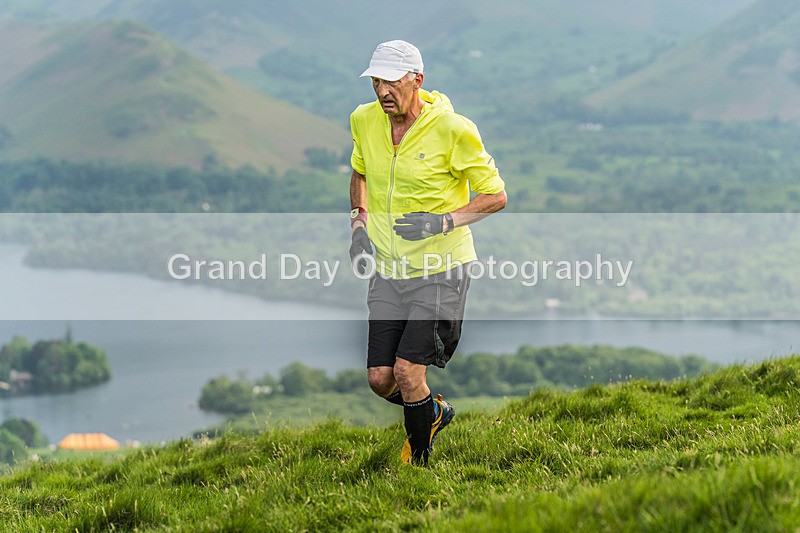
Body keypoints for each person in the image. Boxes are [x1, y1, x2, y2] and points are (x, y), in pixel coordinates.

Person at [348, 40, 507, 466]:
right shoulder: (364, 120)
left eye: (391, 81)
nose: (382, 91)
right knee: (381, 379)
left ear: (417, 79)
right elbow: (359, 170)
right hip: (388, 268)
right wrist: (358, 224)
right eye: (376, 81)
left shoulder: (454, 129)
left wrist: (442, 221)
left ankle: (418, 464)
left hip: (442, 269)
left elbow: (495, 196)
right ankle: (432, 411)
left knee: (407, 371)